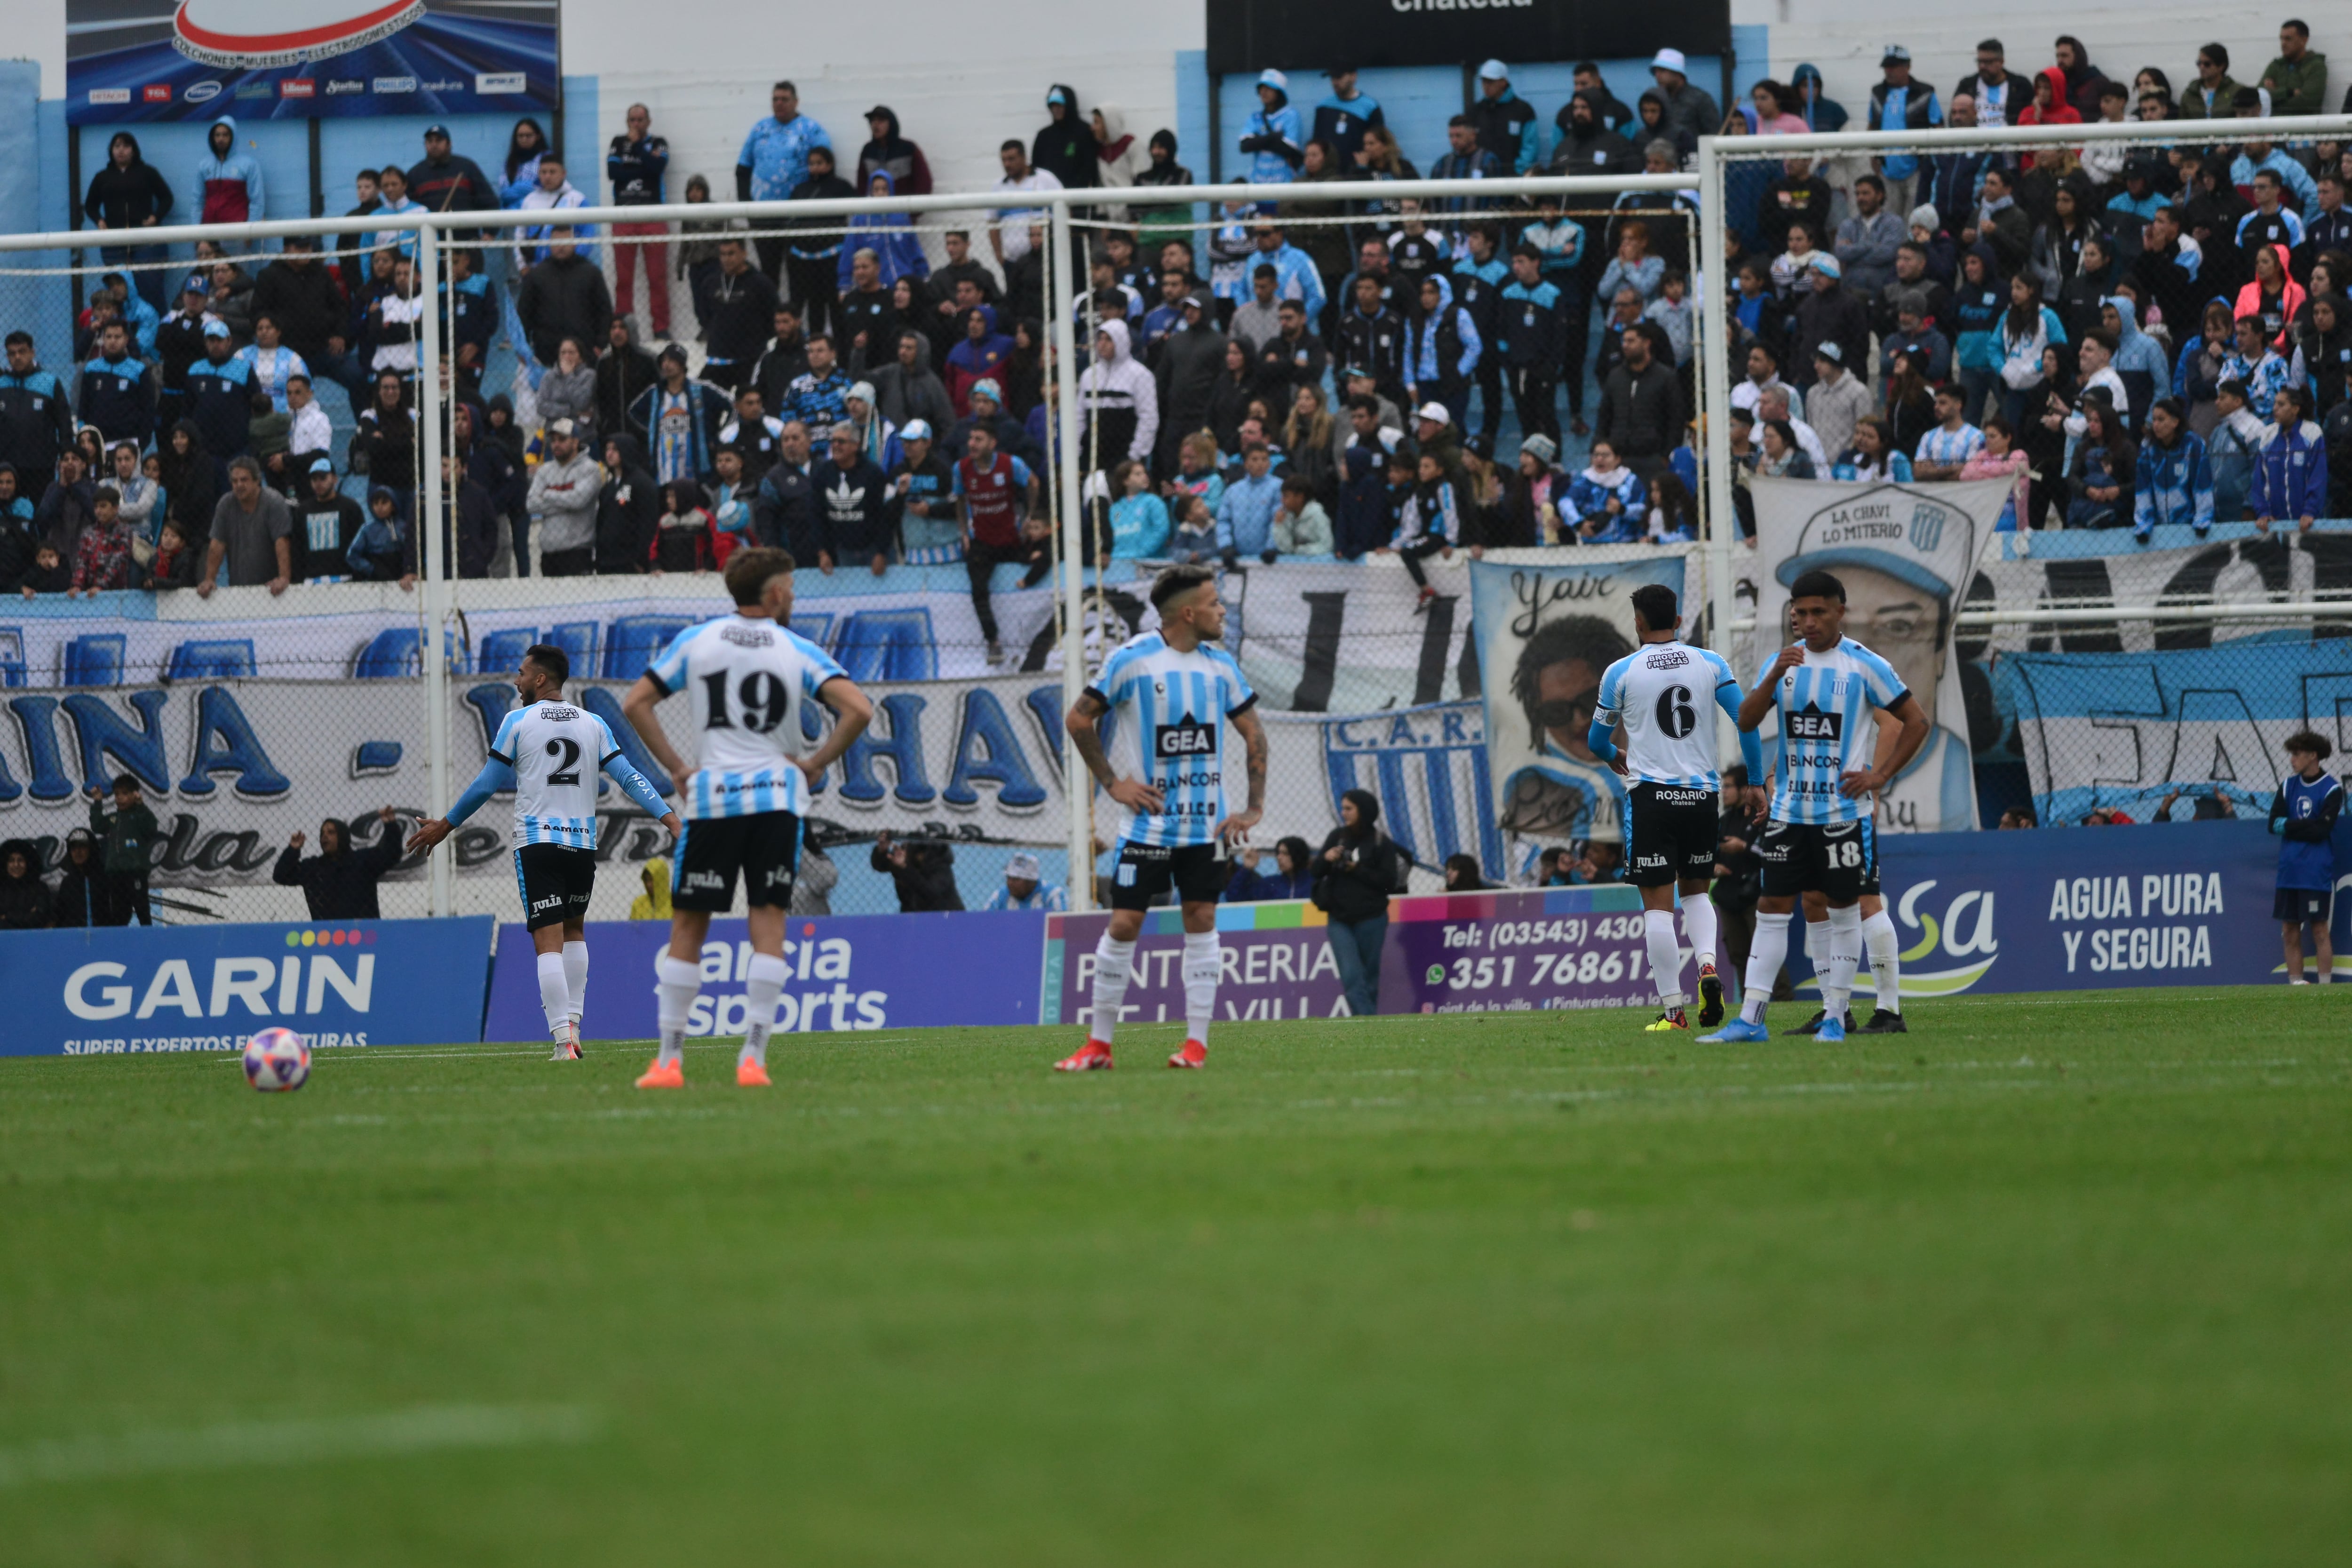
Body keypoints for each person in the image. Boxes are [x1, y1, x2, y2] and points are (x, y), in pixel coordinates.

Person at [620, 547, 876, 1088]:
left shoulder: (699, 640)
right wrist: (812, 764)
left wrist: (677, 768)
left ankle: (669, 1061)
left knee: (689, 925)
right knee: (768, 921)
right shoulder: (796, 647)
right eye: (791, 588)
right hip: (776, 801)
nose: (793, 597)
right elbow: (858, 709)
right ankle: (753, 1059)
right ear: (777, 593)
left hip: (714, 800)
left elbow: (636, 702)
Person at [409, 644, 678, 1057]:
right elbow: (629, 776)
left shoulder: (517, 721)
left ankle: (561, 1042)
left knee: (547, 941)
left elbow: (486, 784)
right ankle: (573, 1026)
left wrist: (446, 825)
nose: (516, 681)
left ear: (539, 678)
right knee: (575, 932)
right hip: (582, 846)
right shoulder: (594, 723)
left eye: (521, 673)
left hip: (538, 843)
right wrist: (672, 819)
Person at [1702, 571, 1931, 1044]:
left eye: (1817, 612)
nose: (1806, 621)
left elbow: (1914, 721)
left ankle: (1840, 1014)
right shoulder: (1781, 662)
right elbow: (1745, 718)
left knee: (1851, 907)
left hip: (1841, 817)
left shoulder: (1864, 665)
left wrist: (1879, 775)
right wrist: (1771, 676)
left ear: (1839, 612)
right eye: (1799, 613)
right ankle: (1752, 1019)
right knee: (1777, 906)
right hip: (1788, 813)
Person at [1058, 565, 1267, 1070]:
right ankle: (1099, 1045)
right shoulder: (1131, 660)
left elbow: (1254, 734)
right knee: (1125, 921)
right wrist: (1113, 784)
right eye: (1215, 603)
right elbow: (1078, 718)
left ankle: (1195, 1046)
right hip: (1148, 827)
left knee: (1202, 919)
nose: (1222, 611)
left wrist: (1253, 807)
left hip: (1208, 828)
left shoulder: (1221, 666)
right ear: (1189, 612)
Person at [1587, 584, 1767, 1032]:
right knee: (1695, 894)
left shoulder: (1621, 671)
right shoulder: (1711, 663)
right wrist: (1757, 782)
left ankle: (1674, 1012)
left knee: (1657, 909)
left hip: (1652, 797)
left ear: (1639, 622)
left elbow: (1596, 741)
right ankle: (1708, 965)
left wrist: (1615, 758)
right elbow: (1745, 719)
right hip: (1702, 797)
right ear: (1679, 620)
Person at [1311, 790, 1403, 1018]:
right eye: (1343, 808)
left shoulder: (1381, 842)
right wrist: (1326, 858)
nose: (1344, 814)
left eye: (1349, 809)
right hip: (1339, 919)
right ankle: (1368, 1022)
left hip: (1372, 918)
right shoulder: (1337, 837)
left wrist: (1357, 869)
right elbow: (1315, 872)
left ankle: (1365, 1026)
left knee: (1369, 976)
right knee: (1351, 974)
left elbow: (1388, 883)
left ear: (1364, 810)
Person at [738, 82, 833, 284]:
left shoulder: (812, 130)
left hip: (799, 215)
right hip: (763, 216)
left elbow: (826, 170)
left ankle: (794, 315)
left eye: (784, 99)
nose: (779, 104)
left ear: (796, 102)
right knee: (768, 273)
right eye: (775, 99)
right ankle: (770, 315)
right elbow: (743, 169)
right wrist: (747, 206)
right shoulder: (760, 129)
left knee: (799, 274)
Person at [2270, 729, 2343, 986]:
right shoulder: (2288, 786)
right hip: (2289, 872)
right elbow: (2273, 825)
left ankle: (2325, 986)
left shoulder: (2332, 789)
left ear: (2313, 756)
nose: (2292, 760)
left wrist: (2291, 825)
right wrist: (2306, 825)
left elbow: (2322, 830)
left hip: (2315, 872)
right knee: (2289, 930)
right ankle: (2296, 985)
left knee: (2320, 929)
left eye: (2297, 754)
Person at [272, 807, 407, 920]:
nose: (325, 836)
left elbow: (392, 855)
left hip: (363, 935)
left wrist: (391, 826)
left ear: (343, 836)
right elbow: (281, 875)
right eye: (322, 834)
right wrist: (293, 849)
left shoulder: (363, 861)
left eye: (331, 832)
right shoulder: (313, 868)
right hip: (328, 939)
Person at [607, 103, 672, 337]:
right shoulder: (617, 142)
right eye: (632, 120)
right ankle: (625, 328)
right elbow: (614, 174)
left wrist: (637, 149)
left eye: (640, 120)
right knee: (624, 278)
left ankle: (661, 328)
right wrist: (642, 165)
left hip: (653, 215)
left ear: (649, 122)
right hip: (624, 215)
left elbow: (657, 168)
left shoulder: (659, 143)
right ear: (627, 122)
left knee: (657, 276)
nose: (636, 125)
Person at [201, 456, 291, 597]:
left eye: (244, 480)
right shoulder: (225, 505)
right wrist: (209, 579)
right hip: (238, 590)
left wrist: (284, 578)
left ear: (257, 481)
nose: (239, 485)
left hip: (272, 590)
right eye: (235, 481)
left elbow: (282, 541)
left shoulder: (273, 502)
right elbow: (217, 544)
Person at [87, 773, 157, 925]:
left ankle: (150, 939)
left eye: (125, 794)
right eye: (117, 794)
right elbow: (97, 826)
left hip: (136, 871)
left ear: (135, 795)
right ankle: (121, 941)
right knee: (119, 913)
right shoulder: (114, 819)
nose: (120, 798)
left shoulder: (139, 816)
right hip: (116, 873)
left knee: (142, 908)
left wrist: (141, 806)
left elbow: (151, 829)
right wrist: (98, 802)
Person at [979, 850, 1067, 911]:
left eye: (1016, 880)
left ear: (1032, 881)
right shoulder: (1001, 895)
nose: (1010, 883)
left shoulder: (1052, 894)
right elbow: (984, 921)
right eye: (1008, 878)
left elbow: (1062, 926)